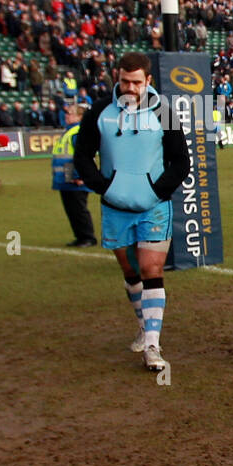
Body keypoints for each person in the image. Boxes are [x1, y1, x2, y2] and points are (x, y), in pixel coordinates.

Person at [73, 52, 190, 371]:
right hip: (115, 206)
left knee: (152, 269)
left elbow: (181, 159)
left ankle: (153, 345)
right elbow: (82, 154)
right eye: (124, 80)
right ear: (117, 77)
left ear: (148, 81)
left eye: (136, 82)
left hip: (154, 206)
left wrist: (158, 190)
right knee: (131, 271)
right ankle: (143, 325)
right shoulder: (99, 111)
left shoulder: (164, 111)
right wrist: (103, 187)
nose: (130, 87)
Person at [52, 108, 97, 246]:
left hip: (73, 177)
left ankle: (88, 237)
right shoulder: (70, 130)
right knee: (72, 209)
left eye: (70, 113)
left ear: (80, 117)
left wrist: (78, 175)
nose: (66, 115)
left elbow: (82, 155)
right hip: (66, 176)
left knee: (78, 209)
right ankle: (81, 236)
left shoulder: (77, 131)